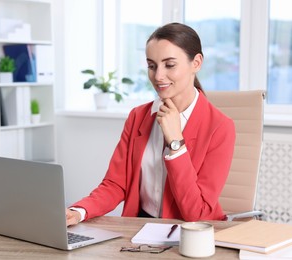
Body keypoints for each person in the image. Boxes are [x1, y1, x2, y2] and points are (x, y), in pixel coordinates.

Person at [66, 22, 235, 226]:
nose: (158, 76)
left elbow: (197, 214)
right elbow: (116, 184)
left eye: (169, 65)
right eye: (152, 66)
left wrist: (176, 144)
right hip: (140, 229)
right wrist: (79, 211)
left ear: (196, 63)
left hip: (191, 233)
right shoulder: (138, 117)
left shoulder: (220, 128)